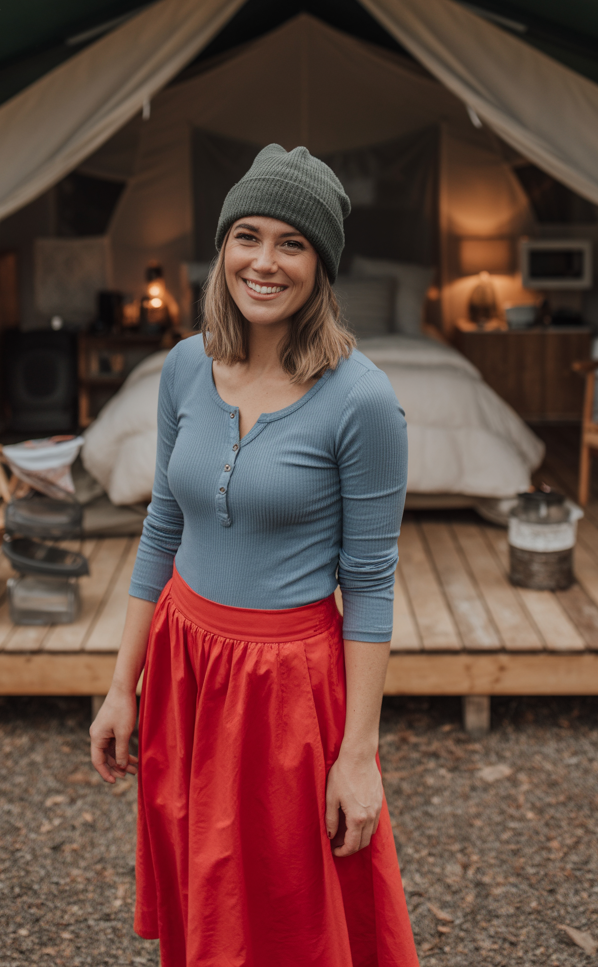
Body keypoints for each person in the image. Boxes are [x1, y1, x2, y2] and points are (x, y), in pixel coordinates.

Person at [90, 144, 418, 967]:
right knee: (208, 891)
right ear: (222, 248)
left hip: (287, 692)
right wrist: (120, 688)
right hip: (184, 666)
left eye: (292, 243)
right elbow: (162, 526)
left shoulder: (364, 400)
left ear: (321, 266)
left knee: (289, 912)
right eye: (247, 235)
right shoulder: (184, 367)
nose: (263, 262)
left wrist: (357, 758)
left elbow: (371, 585)